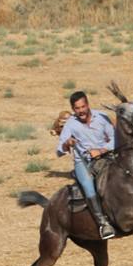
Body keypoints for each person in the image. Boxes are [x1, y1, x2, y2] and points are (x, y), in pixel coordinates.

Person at [56, 91, 116, 239]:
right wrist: (67, 143)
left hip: (106, 156)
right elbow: (58, 150)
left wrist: (102, 150)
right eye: (77, 108)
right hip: (83, 162)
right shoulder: (70, 124)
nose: (81, 111)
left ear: (88, 105)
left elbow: (115, 138)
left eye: (83, 106)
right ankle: (103, 224)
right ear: (73, 109)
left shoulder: (101, 117)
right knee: (89, 187)